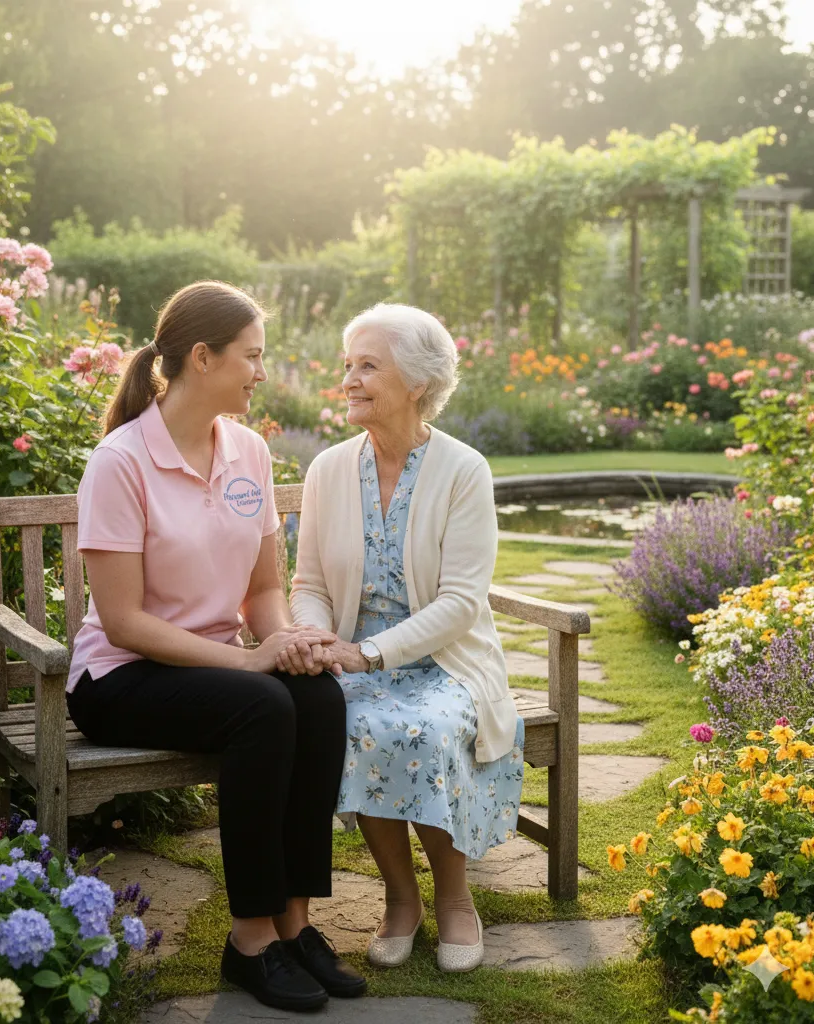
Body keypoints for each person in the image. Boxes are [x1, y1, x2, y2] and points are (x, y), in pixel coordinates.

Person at [66, 281, 366, 1011]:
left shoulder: (249, 452)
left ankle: (295, 925)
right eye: (251, 356)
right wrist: (249, 660)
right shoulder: (121, 461)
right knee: (264, 706)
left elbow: (263, 589)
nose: (262, 372)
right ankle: (250, 942)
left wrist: (287, 639)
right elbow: (124, 619)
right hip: (121, 679)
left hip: (216, 671)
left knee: (317, 697)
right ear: (202, 357)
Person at [285, 303, 525, 973]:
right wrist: (311, 632)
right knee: (349, 718)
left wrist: (370, 652)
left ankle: (453, 898)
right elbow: (308, 582)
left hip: (444, 662)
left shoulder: (463, 470)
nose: (350, 380)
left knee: (421, 727)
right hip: (350, 658)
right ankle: (400, 897)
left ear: (418, 382)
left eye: (369, 366)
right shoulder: (329, 469)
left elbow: (460, 603)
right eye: (348, 366)